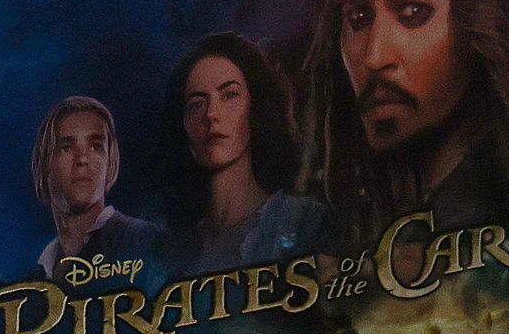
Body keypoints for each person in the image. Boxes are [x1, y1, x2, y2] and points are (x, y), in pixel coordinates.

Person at [298, 0, 509, 232]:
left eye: (414, 12)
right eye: (359, 17)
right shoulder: (340, 223)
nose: (375, 57)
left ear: (476, 29)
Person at [159, 33, 327, 271]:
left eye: (229, 95)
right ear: (182, 123)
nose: (211, 114)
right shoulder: (170, 250)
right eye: (197, 103)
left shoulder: (301, 221)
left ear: (256, 108)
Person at [31, 95, 164, 270]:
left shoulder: (150, 242)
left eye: (95, 146)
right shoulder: (40, 270)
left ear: (110, 161)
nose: (82, 159)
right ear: (44, 164)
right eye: (66, 148)